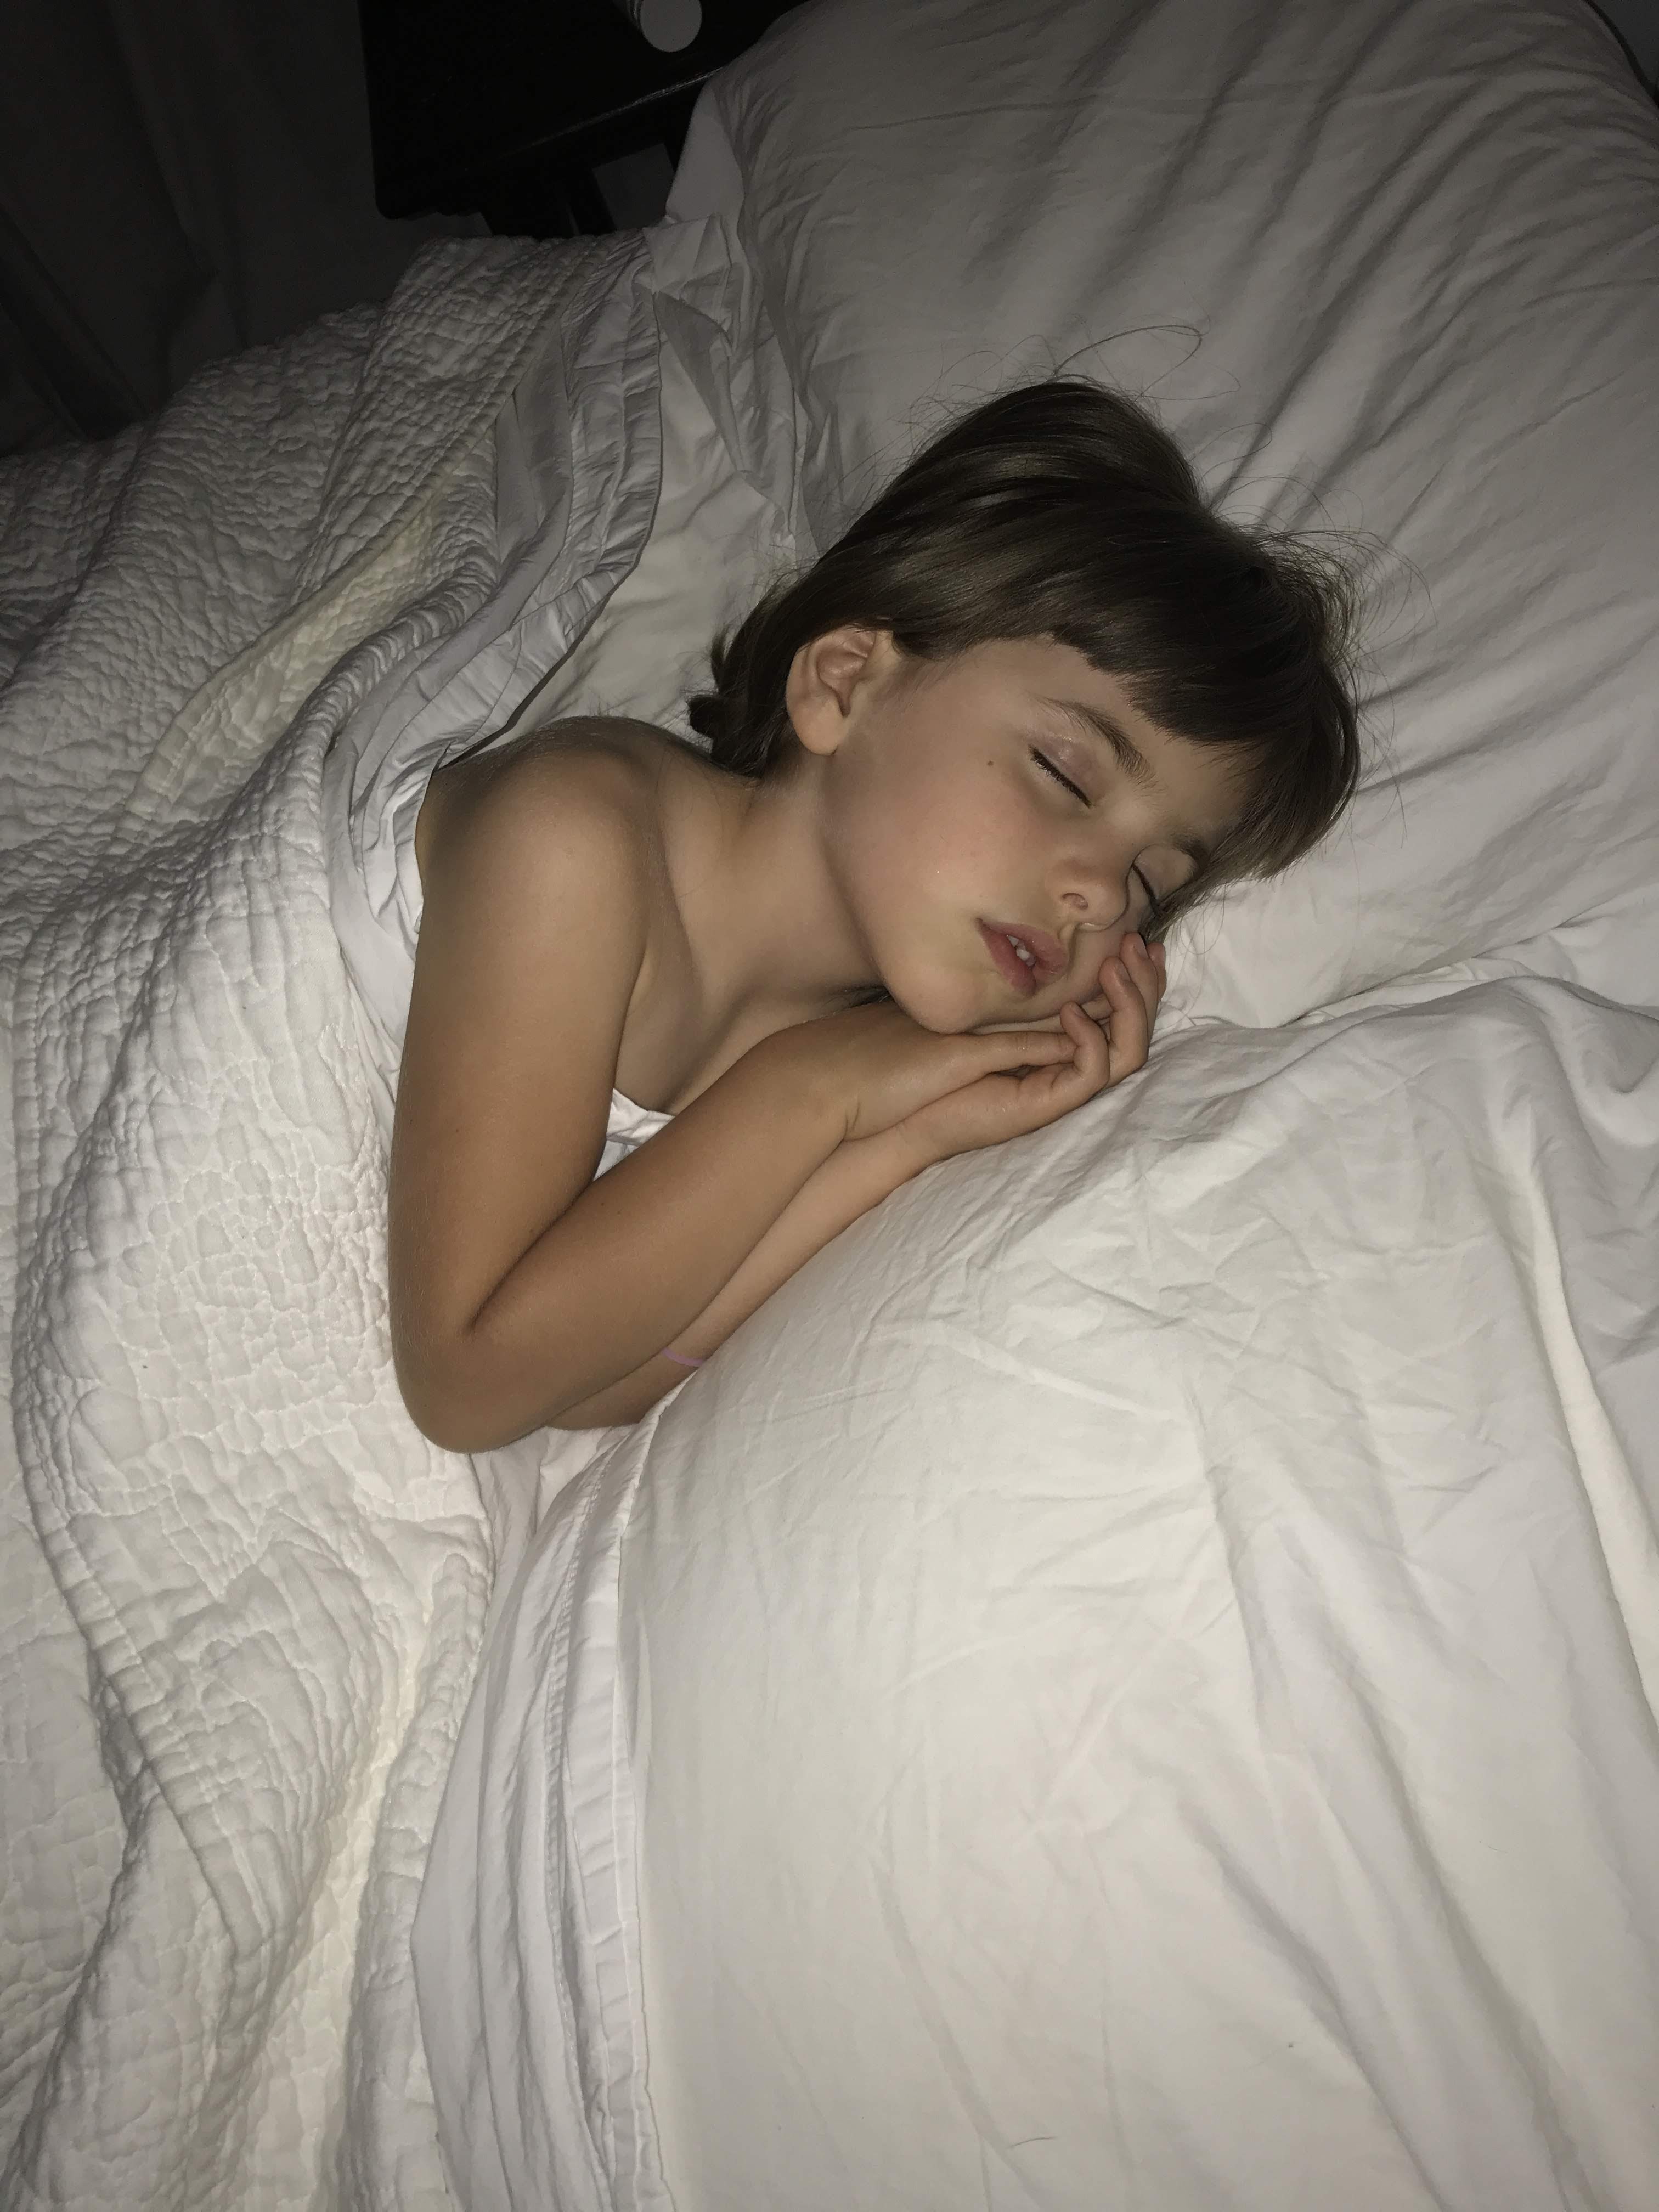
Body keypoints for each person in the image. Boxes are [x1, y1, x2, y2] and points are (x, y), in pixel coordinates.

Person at [389, 379, 1363, 1452]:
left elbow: (579, 1380)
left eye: (1152, 880)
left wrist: (912, 1132)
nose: (1099, 895)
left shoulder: (843, 1043)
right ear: (846, 682)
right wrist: (816, 1092)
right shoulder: (575, 836)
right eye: (1066, 773)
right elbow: (467, 1383)